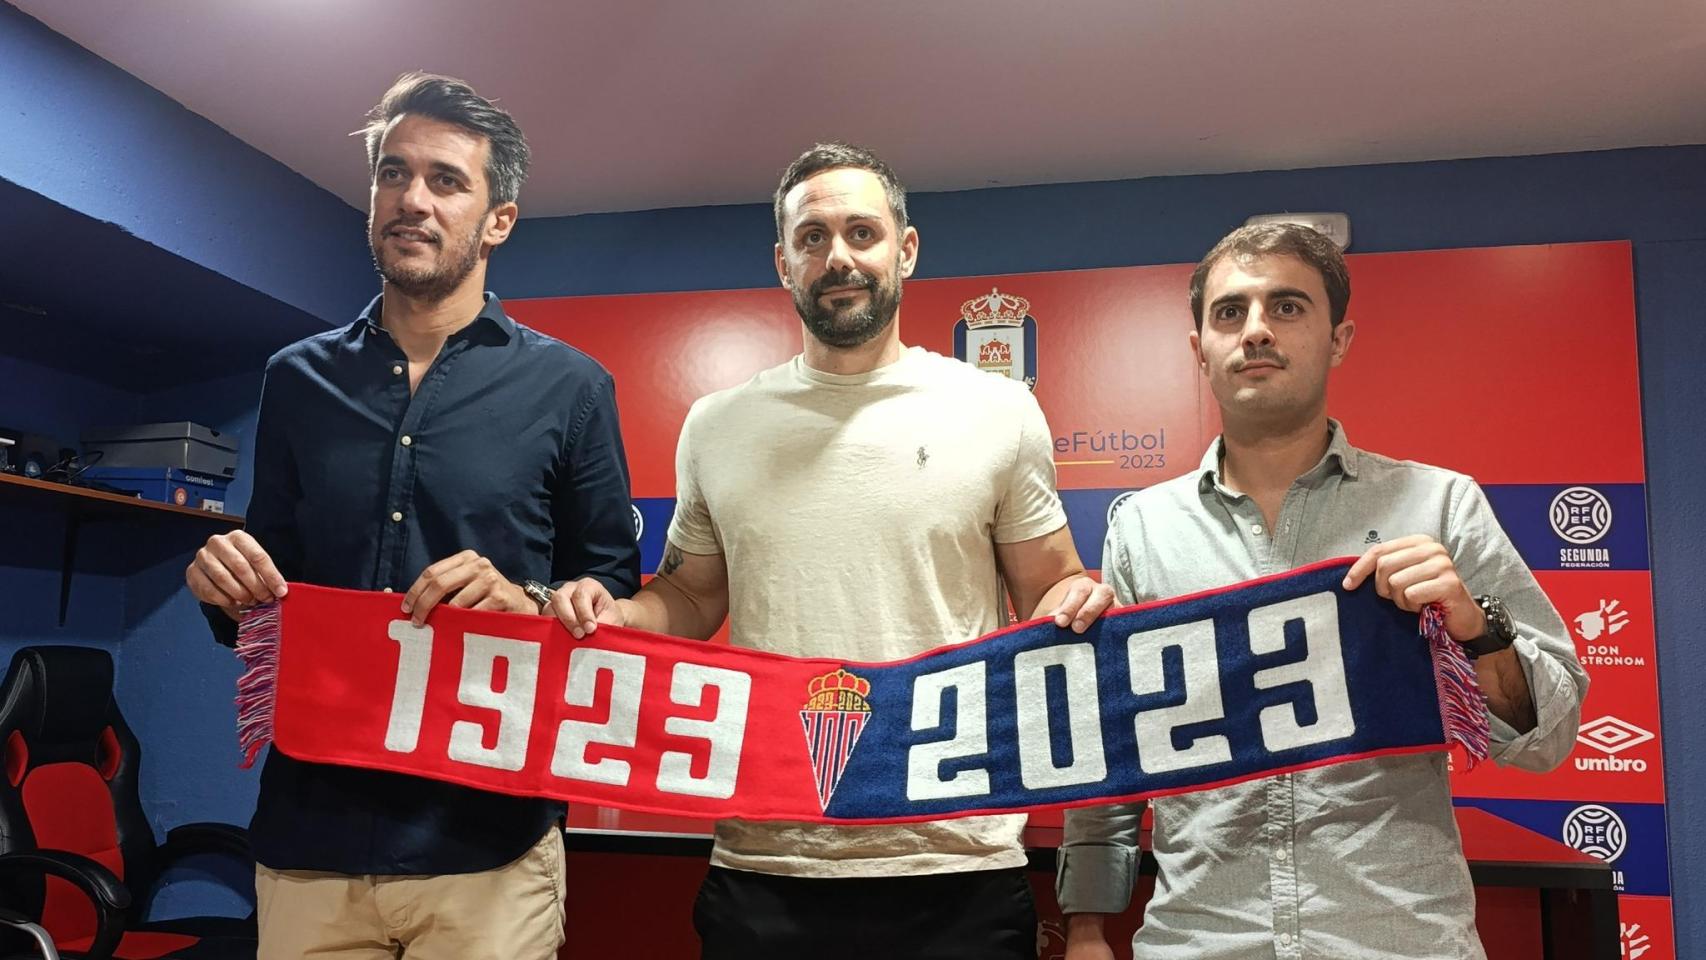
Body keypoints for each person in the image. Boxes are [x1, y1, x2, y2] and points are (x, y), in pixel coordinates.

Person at [554, 142, 1114, 959]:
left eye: (862, 231)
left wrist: (1074, 598)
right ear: (783, 262)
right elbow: (691, 597)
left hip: (955, 860)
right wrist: (621, 611)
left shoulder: (997, 411)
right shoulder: (717, 424)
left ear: (906, 250)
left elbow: (1048, 587)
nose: (838, 256)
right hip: (768, 860)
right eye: (812, 238)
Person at [184, 72, 640, 959]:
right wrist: (223, 588)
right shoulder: (296, 378)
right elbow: (263, 594)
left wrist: (532, 599)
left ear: (497, 219)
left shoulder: (571, 387)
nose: (412, 200)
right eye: (393, 174)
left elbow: (612, 588)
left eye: (445, 180)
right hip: (306, 842)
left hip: (485, 850)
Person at [1056, 222, 1587, 960]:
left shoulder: (1440, 506)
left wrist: (1477, 626)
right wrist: (1085, 926)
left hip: (1400, 939)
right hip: (1201, 940)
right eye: (1230, 312)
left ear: (1338, 340)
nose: (1257, 331)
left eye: (1289, 307)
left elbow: (1550, 739)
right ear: (1198, 349)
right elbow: (1113, 750)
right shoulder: (1141, 530)